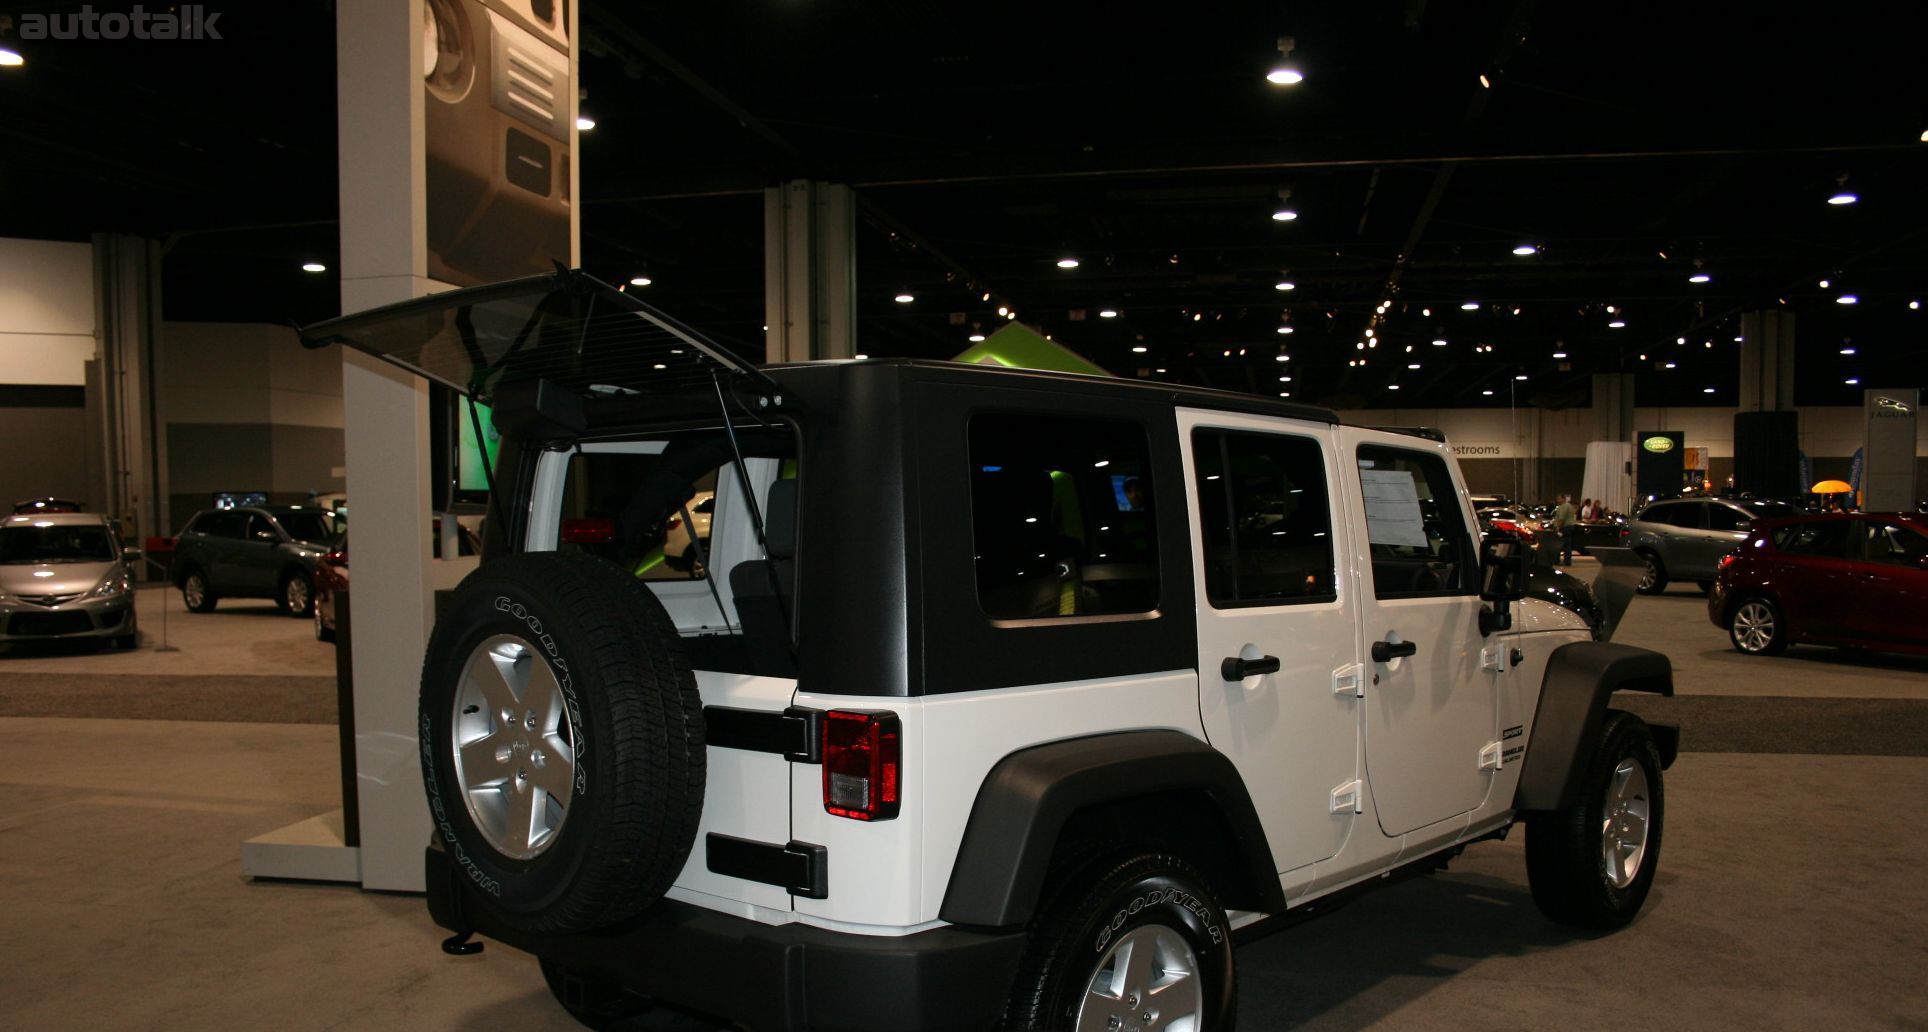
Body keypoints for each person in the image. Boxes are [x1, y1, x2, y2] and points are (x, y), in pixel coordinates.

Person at [1551, 493, 1577, 565]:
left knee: (1558, 544)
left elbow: (1561, 519)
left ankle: (1557, 561)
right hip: (1570, 527)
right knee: (1567, 545)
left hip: (1564, 527)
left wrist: (1558, 528)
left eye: (1558, 499)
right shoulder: (1569, 505)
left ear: (1563, 499)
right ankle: (1567, 561)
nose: (1557, 500)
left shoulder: (1563, 506)